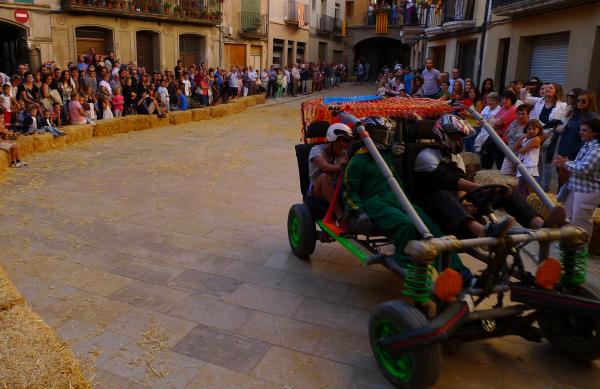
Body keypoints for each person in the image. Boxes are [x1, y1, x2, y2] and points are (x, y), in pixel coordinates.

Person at [344, 116, 469, 277]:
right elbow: (348, 191)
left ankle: (460, 273)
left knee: (432, 229)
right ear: (370, 135)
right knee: (407, 225)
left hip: (399, 199)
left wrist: (394, 151)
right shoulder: (358, 161)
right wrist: (359, 211)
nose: (386, 139)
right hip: (376, 203)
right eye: (382, 135)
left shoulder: (386, 155)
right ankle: (403, 260)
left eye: (387, 135)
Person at [413, 114, 550, 238]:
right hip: (432, 205)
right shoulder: (426, 155)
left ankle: (537, 223)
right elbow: (448, 180)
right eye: (456, 137)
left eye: (461, 138)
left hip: (454, 203)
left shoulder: (455, 156)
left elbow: (461, 180)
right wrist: (480, 187)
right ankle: (483, 231)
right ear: (443, 135)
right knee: (443, 194)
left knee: (505, 190)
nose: (460, 141)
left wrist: (463, 201)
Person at [554, 118, 600, 242]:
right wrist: (565, 163)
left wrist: (566, 164)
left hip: (587, 192)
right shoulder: (588, 145)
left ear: (595, 133)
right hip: (575, 187)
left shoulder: (596, 150)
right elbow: (578, 163)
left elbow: (583, 168)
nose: (580, 132)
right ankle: (567, 245)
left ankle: (580, 251)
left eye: (584, 130)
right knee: (567, 217)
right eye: (581, 130)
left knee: (581, 222)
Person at [522, 82, 567, 192]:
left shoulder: (562, 105)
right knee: (536, 160)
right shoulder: (539, 101)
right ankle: (536, 185)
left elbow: (563, 123)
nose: (547, 89)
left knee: (547, 162)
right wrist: (526, 89)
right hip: (536, 134)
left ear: (556, 91)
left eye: (550, 88)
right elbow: (525, 98)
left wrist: (550, 133)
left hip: (551, 136)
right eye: (546, 87)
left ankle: (545, 187)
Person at [308, 123, 353, 222]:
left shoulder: (343, 153)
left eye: (347, 142)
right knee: (325, 177)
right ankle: (339, 215)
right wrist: (339, 166)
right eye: (342, 141)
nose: (345, 145)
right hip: (316, 191)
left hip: (335, 188)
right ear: (333, 139)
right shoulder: (316, 150)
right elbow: (325, 166)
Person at [500, 103, 532, 176]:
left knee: (521, 176)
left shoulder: (532, 126)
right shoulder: (514, 123)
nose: (520, 116)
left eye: (523, 114)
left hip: (523, 156)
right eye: (518, 114)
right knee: (504, 173)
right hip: (510, 152)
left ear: (528, 114)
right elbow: (506, 133)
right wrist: (509, 144)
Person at [514, 119, 543, 198]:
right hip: (524, 165)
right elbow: (515, 148)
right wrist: (521, 138)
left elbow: (522, 151)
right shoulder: (525, 139)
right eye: (529, 129)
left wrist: (520, 150)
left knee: (521, 189)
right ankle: (525, 203)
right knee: (525, 189)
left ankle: (523, 205)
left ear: (539, 130)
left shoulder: (536, 139)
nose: (531, 131)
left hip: (529, 167)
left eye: (534, 129)